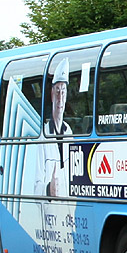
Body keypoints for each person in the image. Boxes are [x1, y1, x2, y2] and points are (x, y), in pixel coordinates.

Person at [36, 57, 73, 196]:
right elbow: (35, 186)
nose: (60, 96)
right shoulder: (42, 135)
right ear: (52, 94)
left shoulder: (69, 132)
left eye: (63, 91)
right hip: (50, 211)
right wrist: (48, 190)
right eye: (57, 90)